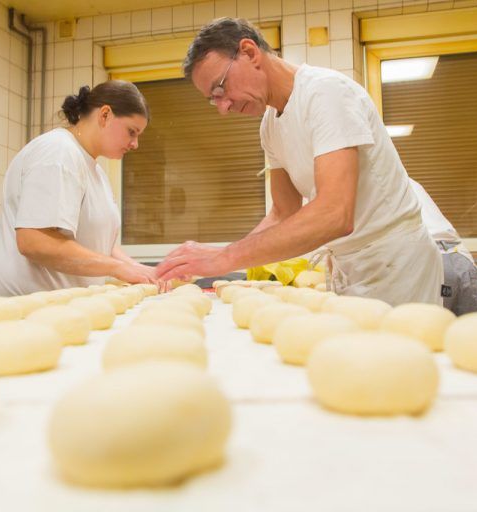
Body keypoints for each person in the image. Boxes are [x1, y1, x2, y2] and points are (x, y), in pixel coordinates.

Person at [156, 18, 443, 306]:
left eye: (220, 89)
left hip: (397, 264)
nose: (223, 108)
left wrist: (225, 257)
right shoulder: (270, 126)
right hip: (348, 265)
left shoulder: (326, 93)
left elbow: (335, 214)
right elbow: (283, 212)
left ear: (250, 52)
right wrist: (222, 255)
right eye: (213, 100)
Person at [0, 81, 158, 298]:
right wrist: (116, 268)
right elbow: (34, 242)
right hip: (13, 308)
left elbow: (101, 246)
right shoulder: (58, 152)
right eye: (131, 132)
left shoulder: (96, 172)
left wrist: (145, 271)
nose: (135, 144)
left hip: (54, 307)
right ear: (105, 115)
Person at [409, 178, 477, 315]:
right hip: (462, 260)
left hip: (429, 262)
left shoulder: (379, 183)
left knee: (428, 333)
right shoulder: (409, 181)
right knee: (475, 332)